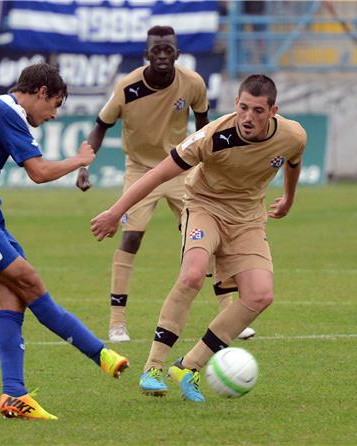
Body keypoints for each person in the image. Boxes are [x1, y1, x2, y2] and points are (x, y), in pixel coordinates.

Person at [91, 74, 306, 402]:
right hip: (205, 206)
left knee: (260, 296)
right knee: (192, 275)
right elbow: (158, 174)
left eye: (258, 111)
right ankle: (154, 366)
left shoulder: (293, 135)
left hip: (248, 217)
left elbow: (293, 160)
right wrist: (114, 211)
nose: (248, 117)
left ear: (273, 111)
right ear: (236, 104)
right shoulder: (214, 136)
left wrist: (289, 198)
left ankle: (188, 366)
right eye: (243, 107)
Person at [0, 63, 129, 420]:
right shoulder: (6, 112)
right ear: (41, 92)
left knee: (13, 297)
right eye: (54, 104)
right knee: (30, 282)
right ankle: (100, 353)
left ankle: (14, 395)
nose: (54, 115)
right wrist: (79, 160)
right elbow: (38, 173)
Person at [77, 25, 254, 342]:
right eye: (156, 49)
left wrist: (210, 167)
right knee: (131, 238)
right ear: (146, 54)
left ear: (177, 53)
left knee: (204, 235)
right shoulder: (128, 88)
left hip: (181, 168)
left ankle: (229, 312)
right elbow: (101, 125)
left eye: (167, 49)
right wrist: (84, 164)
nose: (161, 54)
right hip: (140, 170)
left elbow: (204, 128)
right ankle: (117, 322)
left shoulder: (193, 83)